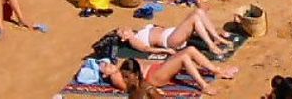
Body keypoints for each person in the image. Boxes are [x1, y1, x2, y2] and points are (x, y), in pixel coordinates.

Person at [98, 51, 236, 98]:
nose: (107, 64)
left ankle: (218, 70)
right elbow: (131, 88)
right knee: (184, 58)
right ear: (105, 75)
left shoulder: (120, 68)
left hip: (156, 69)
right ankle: (204, 85)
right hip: (154, 76)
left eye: (106, 62)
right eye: (104, 66)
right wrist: (151, 88)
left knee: (190, 50)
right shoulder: (115, 76)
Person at [113, 6, 234, 56]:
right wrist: (165, 50)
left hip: (173, 33)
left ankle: (216, 37)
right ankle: (211, 45)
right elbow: (146, 49)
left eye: (123, 28)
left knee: (199, 12)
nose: (124, 29)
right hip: (170, 41)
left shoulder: (140, 31)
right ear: (123, 38)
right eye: (122, 32)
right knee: (195, 18)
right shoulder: (133, 40)